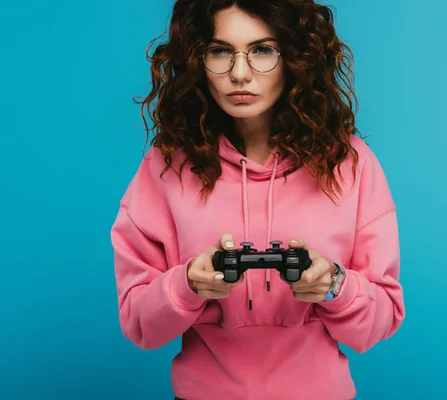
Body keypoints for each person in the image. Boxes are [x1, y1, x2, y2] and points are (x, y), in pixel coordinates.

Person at [110, 0, 405, 399]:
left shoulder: (351, 164)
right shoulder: (166, 166)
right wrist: (186, 285)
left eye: (262, 50)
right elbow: (137, 322)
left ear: (295, 58)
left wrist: (335, 284)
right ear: (199, 59)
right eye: (220, 51)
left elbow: (381, 321)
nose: (240, 74)